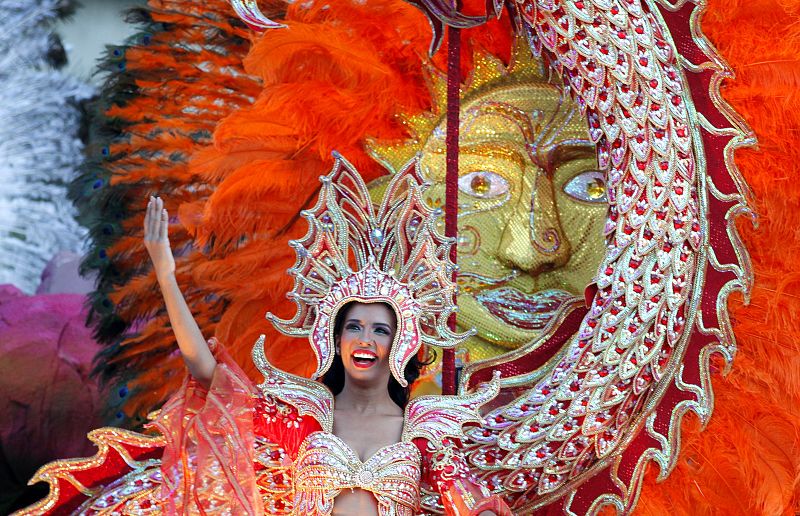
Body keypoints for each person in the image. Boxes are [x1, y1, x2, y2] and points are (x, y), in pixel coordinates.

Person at [16, 158, 510, 516]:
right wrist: (166, 274)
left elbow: (475, 504)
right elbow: (208, 373)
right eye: (353, 326)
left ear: (398, 344)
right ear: (333, 338)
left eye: (380, 329)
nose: (365, 339)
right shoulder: (303, 420)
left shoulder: (422, 432)